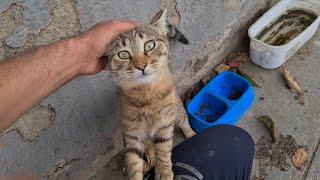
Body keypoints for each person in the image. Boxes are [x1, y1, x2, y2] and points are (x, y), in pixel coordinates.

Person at [0, 20, 254, 180]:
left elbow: (165, 131)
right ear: (111, 63)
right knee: (237, 142)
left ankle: (185, 129)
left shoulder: (164, 84)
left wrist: (165, 167)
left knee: (177, 119)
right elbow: (131, 144)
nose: (140, 63)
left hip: (166, 115)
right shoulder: (125, 98)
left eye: (149, 49)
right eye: (124, 55)